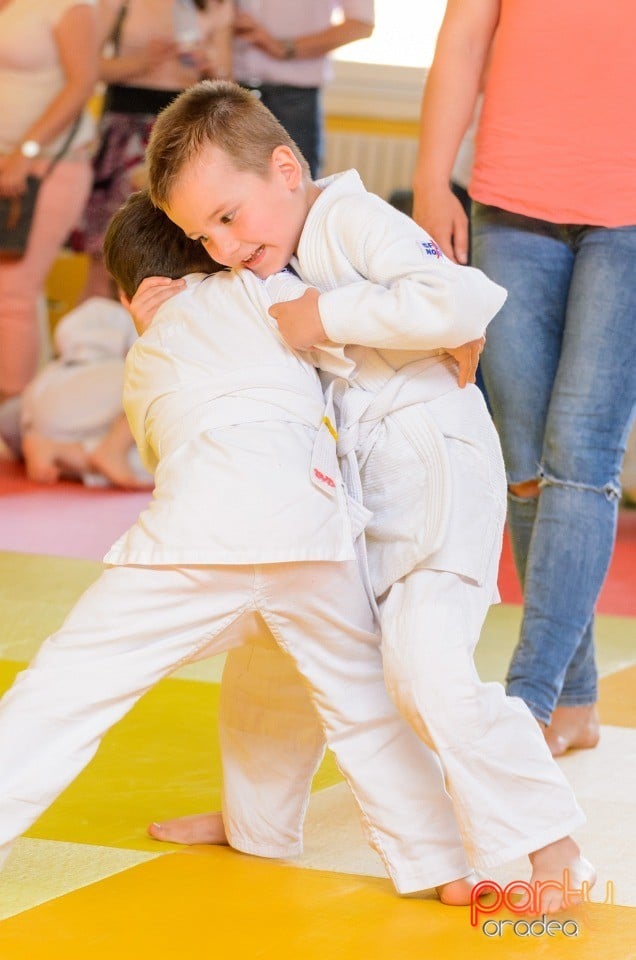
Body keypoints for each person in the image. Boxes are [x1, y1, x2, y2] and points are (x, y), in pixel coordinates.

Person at [132, 79, 593, 912]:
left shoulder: (345, 220)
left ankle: (547, 839)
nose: (226, 246)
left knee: (425, 673)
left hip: (436, 472)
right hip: (357, 490)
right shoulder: (273, 261)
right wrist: (162, 313)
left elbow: (454, 296)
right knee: (278, 641)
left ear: (284, 167)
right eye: (205, 236)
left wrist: (329, 314)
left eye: (230, 217)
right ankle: (258, 820)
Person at [0, 189, 506, 907]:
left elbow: (163, 444)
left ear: (137, 291)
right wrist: (447, 335)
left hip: (197, 542)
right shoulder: (267, 294)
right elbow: (351, 319)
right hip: (315, 537)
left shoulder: (148, 351)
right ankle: (440, 862)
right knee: (359, 705)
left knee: (65, 692)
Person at [411, 0, 636, 757]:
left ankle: (529, 698)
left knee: (581, 449)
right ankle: (573, 699)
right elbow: (464, 39)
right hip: (509, 200)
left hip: (630, 218)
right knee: (524, 459)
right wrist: (429, 180)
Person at [74, 0, 233, 299]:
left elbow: (225, 78)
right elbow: (87, 66)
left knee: (180, 250)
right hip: (125, 131)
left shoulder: (216, 4)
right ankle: (93, 342)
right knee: (104, 252)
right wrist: (140, 62)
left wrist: (210, 65)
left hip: (184, 132)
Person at [0, 0, 99, 400]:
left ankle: (10, 414)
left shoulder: (68, 7)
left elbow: (83, 82)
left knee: (14, 291)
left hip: (43, 168)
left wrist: (25, 152)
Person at [0, 296, 153, 488]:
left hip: (40, 399)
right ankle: (107, 448)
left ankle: (61, 450)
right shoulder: (127, 330)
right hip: (80, 396)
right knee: (167, 455)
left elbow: (71, 333)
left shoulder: (100, 318)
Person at [232, 0, 374, 177]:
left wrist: (286, 48)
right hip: (228, 89)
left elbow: (361, 23)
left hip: (294, 98)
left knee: (297, 189)